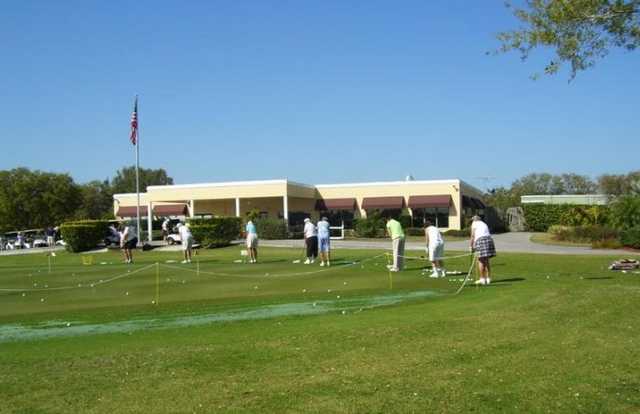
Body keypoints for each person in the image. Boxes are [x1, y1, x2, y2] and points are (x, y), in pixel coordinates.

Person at [470, 215, 496, 285]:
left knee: (480, 260)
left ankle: (482, 279)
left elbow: (472, 236)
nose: (472, 221)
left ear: (474, 220)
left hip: (481, 240)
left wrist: (471, 246)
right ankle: (488, 279)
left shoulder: (474, 223)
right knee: (486, 259)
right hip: (489, 240)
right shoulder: (484, 223)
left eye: (472, 219)